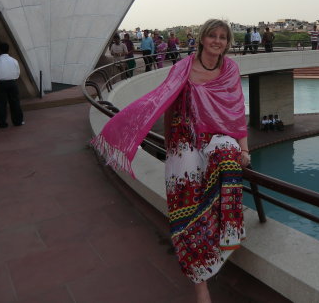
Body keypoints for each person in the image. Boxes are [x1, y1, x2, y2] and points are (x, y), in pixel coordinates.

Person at [91, 19, 249, 303]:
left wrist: (244, 149)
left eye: (223, 37)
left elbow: (236, 112)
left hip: (217, 136)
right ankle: (200, 285)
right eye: (212, 35)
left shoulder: (230, 70)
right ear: (202, 39)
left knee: (229, 160)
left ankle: (227, 231)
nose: (217, 41)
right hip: (184, 139)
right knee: (185, 203)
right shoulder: (183, 68)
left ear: (228, 43)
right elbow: (161, 101)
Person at [0, 42, 24, 128]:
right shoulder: (14, 60)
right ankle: (18, 122)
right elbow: (17, 73)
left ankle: (2, 123)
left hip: (0, 84)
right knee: (15, 102)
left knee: (1, 104)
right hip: (12, 83)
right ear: (8, 50)